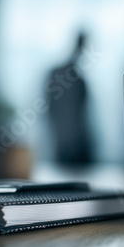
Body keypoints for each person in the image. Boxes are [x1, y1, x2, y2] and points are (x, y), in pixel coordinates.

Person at [46, 32, 93, 165]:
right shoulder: (58, 75)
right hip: (65, 144)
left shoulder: (80, 80)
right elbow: (51, 109)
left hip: (79, 145)